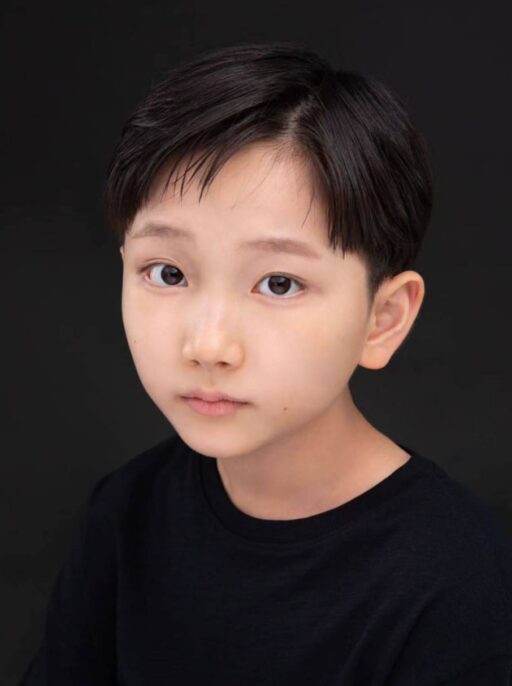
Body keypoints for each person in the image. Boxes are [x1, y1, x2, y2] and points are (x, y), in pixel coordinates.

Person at [19, 41, 512, 685]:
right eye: (167, 273)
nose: (208, 345)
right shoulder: (127, 513)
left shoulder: (455, 583)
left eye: (279, 283)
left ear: (383, 318)